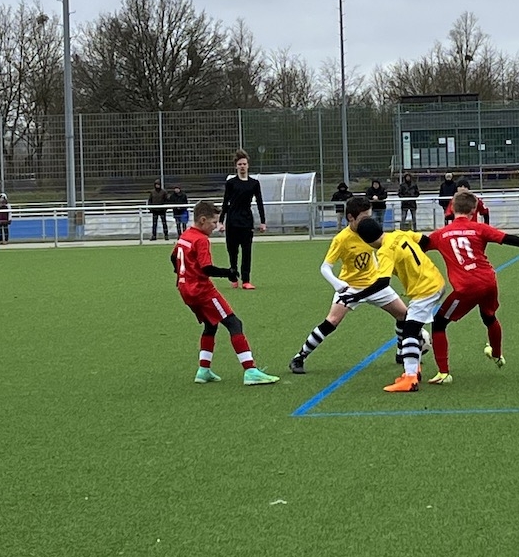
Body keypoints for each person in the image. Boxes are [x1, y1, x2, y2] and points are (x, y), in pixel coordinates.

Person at [424, 190, 519, 384]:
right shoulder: (480, 228)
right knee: (489, 317)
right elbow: (511, 239)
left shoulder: (440, 234)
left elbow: (419, 247)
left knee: (439, 322)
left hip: (467, 287)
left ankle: (443, 373)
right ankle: (497, 354)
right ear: (474, 210)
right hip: (489, 281)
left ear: (452, 208)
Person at [288, 194, 409, 374]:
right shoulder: (342, 239)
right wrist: (337, 284)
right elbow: (325, 267)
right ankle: (300, 357)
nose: (367, 221)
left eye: (369, 217)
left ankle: (401, 352)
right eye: (363, 218)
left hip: (374, 285)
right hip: (350, 287)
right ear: (351, 217)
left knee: (404, 315)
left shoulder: (370, 231)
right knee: (332, 321)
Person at [171, 200, 279, 386]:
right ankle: (250, 370)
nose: (215, 226)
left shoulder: (185, 236)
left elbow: (173, 257)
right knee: (234, 323)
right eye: (213, 222)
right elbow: (206, 268)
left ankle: (203, 370)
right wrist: (228, 273)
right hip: (202, 291)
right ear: (202, 220)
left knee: (210, 325)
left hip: (185, 290)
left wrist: (183, 274)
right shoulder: (201, 239)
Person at [337, 216, 446, 393]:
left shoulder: (384, 251)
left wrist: (356, 296)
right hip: (434, 279)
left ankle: (410, 379)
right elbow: (425, 240)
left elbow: (382, 282)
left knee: (409, 331)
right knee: (411, 327)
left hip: (426, 290)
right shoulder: (399, 234)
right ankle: (414, 370)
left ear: (365, 240)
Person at [219, 149, 267, 289]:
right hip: (232, 221)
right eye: (240, 164)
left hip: (246, 222)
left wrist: (263, 222)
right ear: (236, 166)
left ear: (248, 165)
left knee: (247, 252)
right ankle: (234, 276)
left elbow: (259, 202)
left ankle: (246, 280)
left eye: (244, 164)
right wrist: (221, 221)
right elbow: (225, 202)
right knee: (232, 252)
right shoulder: (231, 183)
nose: (242, 166)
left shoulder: (254, 183)